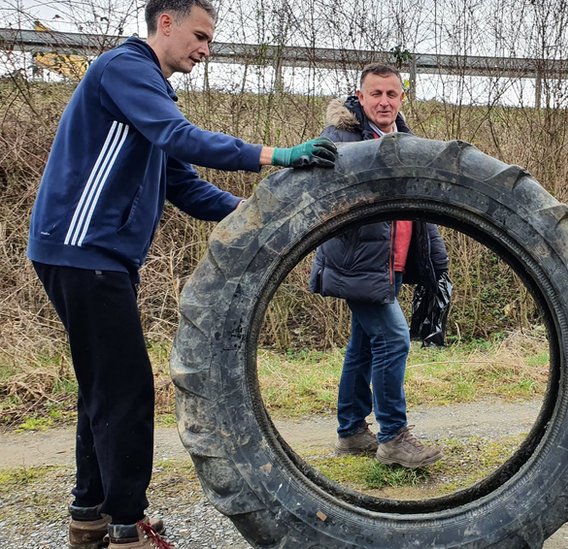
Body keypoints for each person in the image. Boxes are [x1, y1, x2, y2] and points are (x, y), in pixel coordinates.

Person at [26, 0, 336, 547]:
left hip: (91, 254)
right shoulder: (126, 70)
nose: (205, 48)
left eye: (210, 39)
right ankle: (126, 525)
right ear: (164, 24)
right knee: (127, 389)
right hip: (83, 250)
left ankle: (89, 517)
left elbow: (184, 184)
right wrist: (278, 154)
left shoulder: (147, 91)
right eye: (200, 35)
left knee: (103, 386)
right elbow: (181, 137)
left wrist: (261, 217)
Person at [308, 63, 447, 469]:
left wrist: (435, 263)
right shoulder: (341, 138)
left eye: (392, 94)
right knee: (394, 338)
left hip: (393, 263)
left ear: (402, 98)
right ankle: (393, 438)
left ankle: (351, 431)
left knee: (364, 346)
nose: (384, 102)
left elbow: (423, 211)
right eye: (376, 94)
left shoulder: (406, 140)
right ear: (361, 96)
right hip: (357, 264)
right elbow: (322, 195)